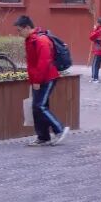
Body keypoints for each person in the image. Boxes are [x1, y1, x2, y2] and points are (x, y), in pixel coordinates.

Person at [15, 15, 69, 147]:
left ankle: (59, 129)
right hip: (40, 78)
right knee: (37, 107)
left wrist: (37, 81)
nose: (18, 33)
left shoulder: (41, 40)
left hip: (47, 78)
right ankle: (43, 137)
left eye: (19, 30)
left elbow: (44, 62)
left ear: (27, 27)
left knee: (40, 106)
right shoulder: (31, 39)